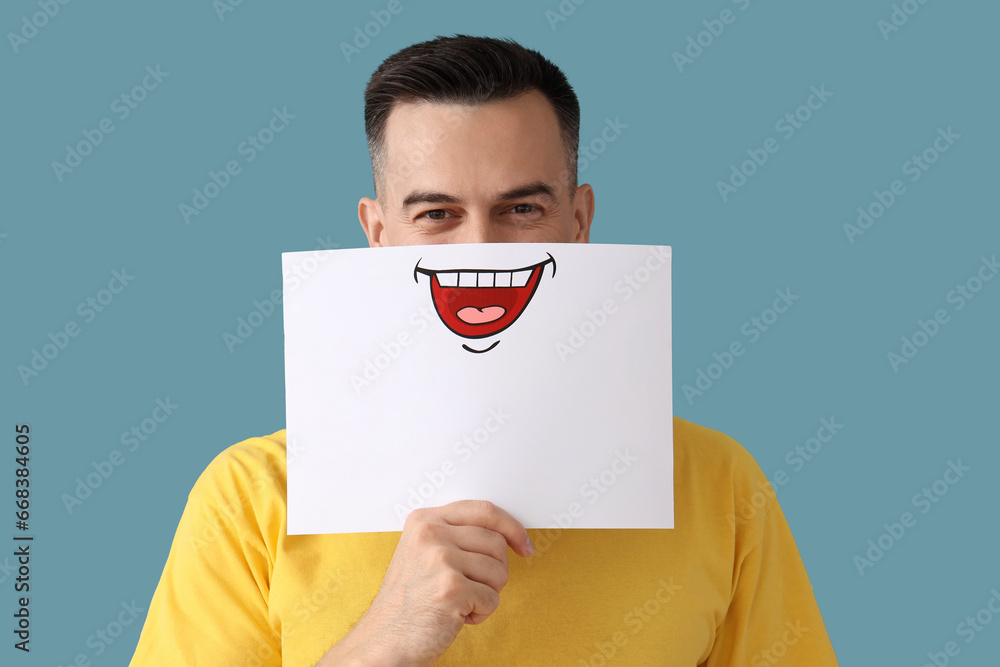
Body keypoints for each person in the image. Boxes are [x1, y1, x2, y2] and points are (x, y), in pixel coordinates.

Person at [130, 35, 839, 666]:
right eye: (437, 214)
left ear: (579, 220)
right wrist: (383, 638)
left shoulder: (719, 487)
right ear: (378, 235)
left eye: (521, 209)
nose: (482, 251)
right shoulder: (252, 498)